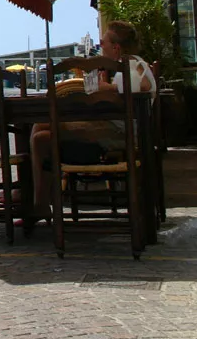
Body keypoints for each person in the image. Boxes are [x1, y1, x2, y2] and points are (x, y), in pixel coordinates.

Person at [25, 20, 156, 220]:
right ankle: (37, 198)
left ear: (116, 47)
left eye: (103, 42)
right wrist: (108, 87)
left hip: (120, 135)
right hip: (114, 129)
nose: (100, 45)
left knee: (40, 132)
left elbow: (142, 87)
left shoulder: (131, 67)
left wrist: (107, 88)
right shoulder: (133, 64)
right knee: (40, 135)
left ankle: (35, 199)